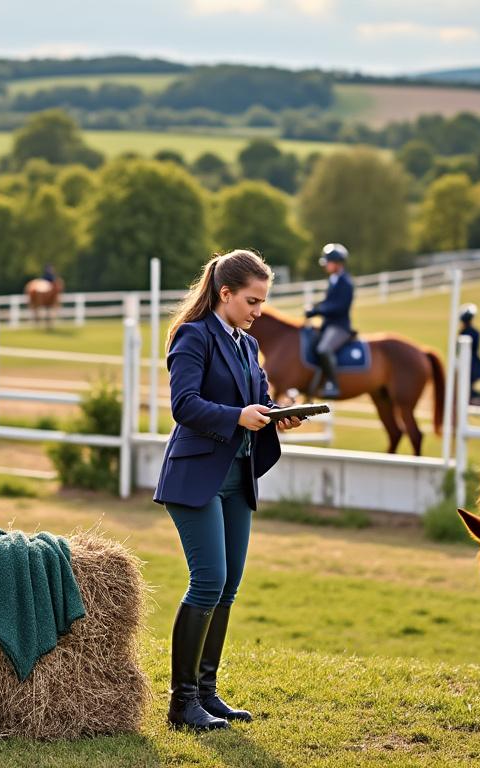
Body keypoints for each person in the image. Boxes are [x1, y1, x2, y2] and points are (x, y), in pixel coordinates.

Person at [153, 249, 304, 731]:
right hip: (195, 478)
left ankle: (208, 693)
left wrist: (280, 414)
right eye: (252, 300)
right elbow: (185, 405)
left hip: (239, 478)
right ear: (225, 293)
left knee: (228, 587)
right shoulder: (192, 337)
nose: (260, 311)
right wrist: (237, 417)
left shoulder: (246, 345)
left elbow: (258, 400)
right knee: (208, 581)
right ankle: (182, 703)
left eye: (262, 301)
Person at [304, 242, 355, 399]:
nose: (325, 265)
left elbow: (339, 307)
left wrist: (317, 310)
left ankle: (334, 384)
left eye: (328, 262)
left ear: (338, 263)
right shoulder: (334, 279)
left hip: (340, 327)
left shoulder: (346, 283)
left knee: (324, 349)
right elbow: (328, 302)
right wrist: (314, 308)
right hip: (328, 325)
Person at [458, 304, 480, 405]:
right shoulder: (475, 332)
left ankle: (471, 393)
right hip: (473, 360)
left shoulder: (462, 332)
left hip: (468, 360)